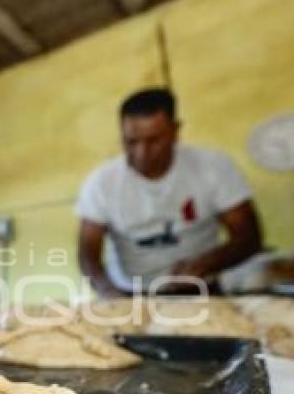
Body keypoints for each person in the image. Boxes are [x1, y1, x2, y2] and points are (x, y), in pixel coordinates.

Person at [76, 87, 262, 297]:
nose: (142, 153)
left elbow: (249, 237)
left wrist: (207, 263)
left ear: (175, 130)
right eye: (131, 142)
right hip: (132, 295)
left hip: (202, 289)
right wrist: (107, 291)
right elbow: (88, 255)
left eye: (154, 141)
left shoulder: (213, 167)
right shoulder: (101, 183)